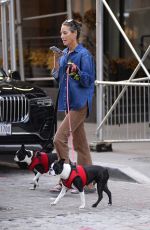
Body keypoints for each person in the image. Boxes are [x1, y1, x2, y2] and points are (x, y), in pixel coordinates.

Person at [50, 19, 96, 193]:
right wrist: (57, 62)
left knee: (58, 139)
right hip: (69, 103)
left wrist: (76, 71)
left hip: (79, 104)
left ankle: (67, 178)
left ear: (74, 33)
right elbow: (59, 78)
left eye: (65, 32)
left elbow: (88, 80)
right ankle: (89, 182)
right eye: (61, 33)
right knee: (80, 144)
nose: (62, 36)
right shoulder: (65, 54)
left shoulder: (84, 55)